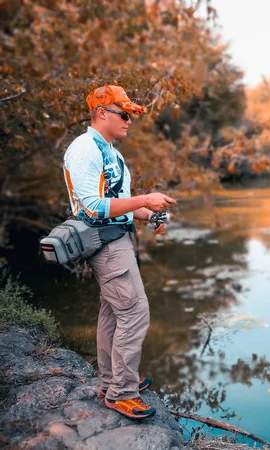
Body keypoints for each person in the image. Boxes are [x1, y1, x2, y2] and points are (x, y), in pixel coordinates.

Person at [62, 85, 176, 419]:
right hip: (103, 242)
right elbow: (93, 208)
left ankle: (113, 380)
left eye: (130, 115)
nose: (129, 121)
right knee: (134, 312)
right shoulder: (84, 149)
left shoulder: (109, 149)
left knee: (113, 313)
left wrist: (151, 213)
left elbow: (117, 206)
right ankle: (121, 393)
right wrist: (144, 199)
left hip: (116, 238)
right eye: (123, 114)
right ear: (101, 113)